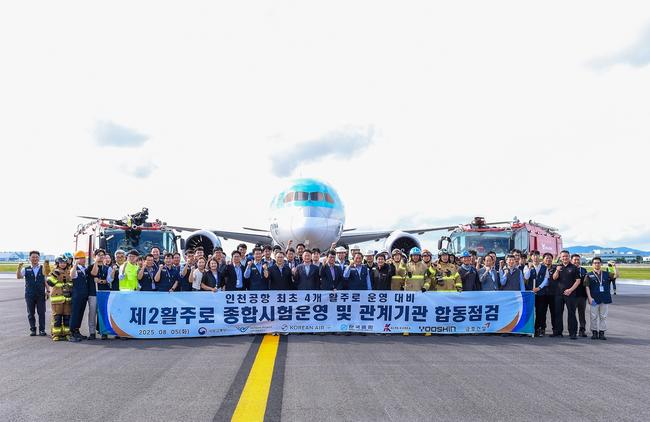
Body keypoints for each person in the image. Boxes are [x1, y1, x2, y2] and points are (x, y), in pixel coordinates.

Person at [551, 250, 582, 339]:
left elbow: (578, 281)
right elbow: (554, 278)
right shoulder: (557, 267)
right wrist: (557, 270)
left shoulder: (574, 267)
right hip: (559, 294)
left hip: (570, 294)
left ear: (569, 257)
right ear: (560, 257)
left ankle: (572, 333)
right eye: (563, 256)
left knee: (571, 313)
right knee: (558, 313)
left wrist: (570, 290)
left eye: (566, 256)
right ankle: (558, 332)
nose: (565, 258)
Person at [16, 250, 48, 336]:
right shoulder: (26, 269)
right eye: (33, 257)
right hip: (30, 294)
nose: (35, 258)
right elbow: (19, 277)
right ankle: (33, 329)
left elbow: (45, 281)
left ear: (39, 258)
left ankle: (42, 330)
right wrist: (19, 268)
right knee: (31, 313)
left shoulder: (43, 268)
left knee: (41, 313)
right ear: (30, 258)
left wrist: (48, 291)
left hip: (41, 294)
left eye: (36, 257)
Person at [585, 257, 614, 340]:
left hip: (605, 298)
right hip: (594, 299)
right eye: (595, 263)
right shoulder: (589, 275)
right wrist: (589, 298)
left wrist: (614, 267)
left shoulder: (607, 274)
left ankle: (602, 332)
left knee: (603, 316)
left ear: (601, 264)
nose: (597, 264)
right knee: (593, 316)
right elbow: (587, 287)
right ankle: (594, 332)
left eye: (598, 263)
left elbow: (616, 275)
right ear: (592, 264)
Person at [46, 256, 73, 341]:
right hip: (57, 300)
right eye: (61, 263)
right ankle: (56, 334)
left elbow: (72, 283)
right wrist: (55, 275)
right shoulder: (54, 272)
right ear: (57, 263)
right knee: (57, 318)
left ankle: (66, 334)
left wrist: (67, 285)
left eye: (64, 263)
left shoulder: (69, 272)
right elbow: (50, 282)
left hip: (67, 300)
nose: (63, 264)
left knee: (67, 318)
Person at [531, 253, 555, 337]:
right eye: (546, 258)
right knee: (531, 312)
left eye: (549, 258)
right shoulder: (529, 266)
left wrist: (539, 288)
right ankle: (530, 329)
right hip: (532, 293)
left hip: (543, 293)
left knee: (541, 312)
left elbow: (546, 280)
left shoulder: (546, 268)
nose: (548, 259)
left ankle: (539, 328)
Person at [69, 251, 90, 342]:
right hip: (77, 295)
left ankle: (77, 331)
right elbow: (72, 275)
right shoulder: (75, 268)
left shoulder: (85, 269)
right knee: (75, 313)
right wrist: (75, 265)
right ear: (76, 259)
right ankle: (72, 333)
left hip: (84, 295)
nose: (84, 260)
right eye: (81, 258)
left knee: (80, 313)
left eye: (84, 258)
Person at [89, 249, 109, 340]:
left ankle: (103, 332)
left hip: (103, 293)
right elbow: (94, 273)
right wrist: (96, 262)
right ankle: (92, 333)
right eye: (99, 255)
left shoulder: (107, 268)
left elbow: (108, 280)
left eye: (102, 255)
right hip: (93, 293)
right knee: (92, 313)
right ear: (95, 256)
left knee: (103, 313)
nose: (101, 256)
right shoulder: (91, 267)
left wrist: (101, 281)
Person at [571, 254, 589, 337]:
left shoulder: (584, 270)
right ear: (571, 260)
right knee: (572, 314)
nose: (576, 261)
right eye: (575, 259)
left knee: (582, 314)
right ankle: (573, 330)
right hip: (572, 296)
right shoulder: (569, 269)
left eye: (578, 259)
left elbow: (586, 283)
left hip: (582, 296)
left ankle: (582, 329)